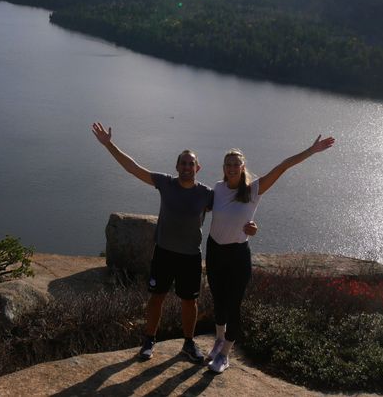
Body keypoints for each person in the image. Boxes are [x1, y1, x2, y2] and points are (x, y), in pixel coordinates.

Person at [204, 135, 335, 374]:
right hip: (214, 251)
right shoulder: (218, 188)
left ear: (242, 167)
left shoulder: (254, 190)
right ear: (224, 169)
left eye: (236, 164)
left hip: (237, 255)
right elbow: (204, 208)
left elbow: (282, 166)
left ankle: (224, 355)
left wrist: (311, 150)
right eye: (228, 164)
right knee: (219, 302)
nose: (232, 168)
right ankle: (219, 340)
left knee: (233, 306)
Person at [91, 121, 216, 363]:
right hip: (164, 253)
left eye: (191, 163)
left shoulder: (206, 194)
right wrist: (109, 145)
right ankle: (149, 340)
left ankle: (188, 344)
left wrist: (249, 225)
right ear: (177, 166)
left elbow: (232, 205)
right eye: (183, 163)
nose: (187, 167)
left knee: (190, 301)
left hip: (190, 255)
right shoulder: (166, 183)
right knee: (156, 297)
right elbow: (132, 168)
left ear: (197, 167)